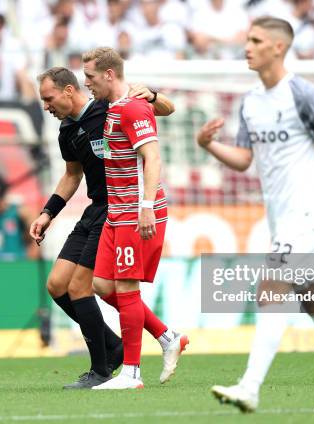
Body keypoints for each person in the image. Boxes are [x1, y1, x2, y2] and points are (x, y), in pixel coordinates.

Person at [196, 17, 314, 412]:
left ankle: (249, 387)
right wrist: (209, 145)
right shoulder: (250, 102)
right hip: (282, 217)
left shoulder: (303, 95)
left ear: (278, 47)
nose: (247, 47)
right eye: (247, 39)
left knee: (271, 289)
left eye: (255, 40)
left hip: (309, 213)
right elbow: (245, 161)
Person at [29, 66, 186, 389]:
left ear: (68, 91)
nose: (46, 106)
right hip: (95, 209)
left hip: (120, 208)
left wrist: (154, 95)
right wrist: (48, 213)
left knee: (82, 287)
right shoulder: (67, 132)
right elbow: (72, 175)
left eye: (48, 98)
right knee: (58, 285)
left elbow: (166, 110)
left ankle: (102, 368)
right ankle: (141, 340)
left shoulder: (110, 107)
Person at [79, 47, 189, 390]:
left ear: (109, 74)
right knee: (100, 284)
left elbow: (152, 158)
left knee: (127, 287)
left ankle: (132, 373)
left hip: (135, 213)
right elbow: (165, 108)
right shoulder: (114, 106)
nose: (87, 84)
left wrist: (145, 206)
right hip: (116, 211)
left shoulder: (134, 106)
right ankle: (167, 336)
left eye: (91, 77)